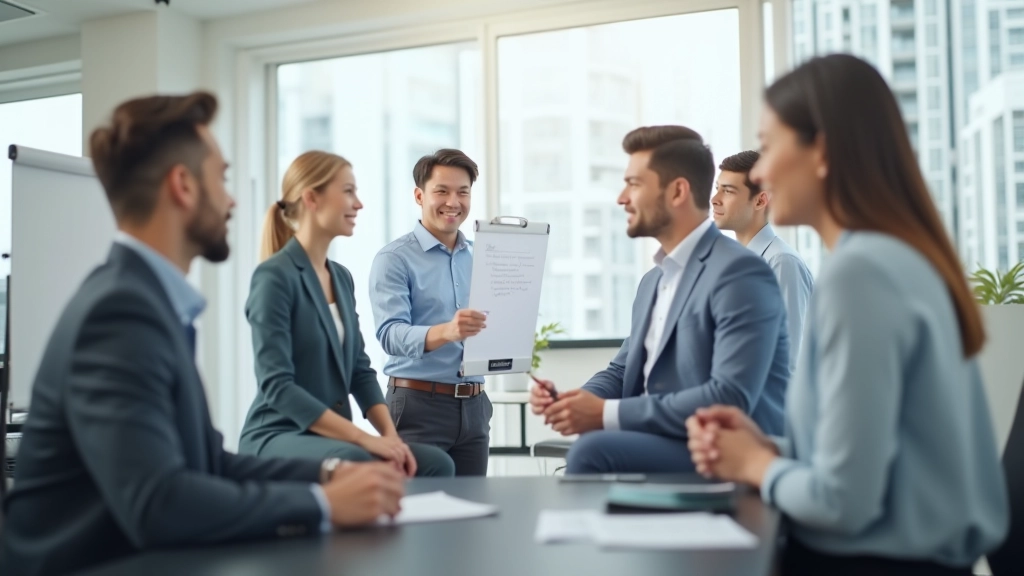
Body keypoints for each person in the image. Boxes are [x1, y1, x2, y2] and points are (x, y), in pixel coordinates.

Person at [0, 93, 404, 576]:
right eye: (223, 177)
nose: (232, 198)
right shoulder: (120, 314)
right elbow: (160, 502)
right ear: (183, 186)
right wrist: (321, 504)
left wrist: (329, 472)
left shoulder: (148, 301)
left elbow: (210, 461)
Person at [687, 54, 1009, 575]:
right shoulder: (895, 257)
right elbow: (874, 456)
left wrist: (755, 464)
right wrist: (766, 444)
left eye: (769, 147)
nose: (762, 171)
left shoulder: (861, 274)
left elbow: (842, 500)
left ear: (823, 152)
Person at [529, 126, 790, 474]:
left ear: (678, 191)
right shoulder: (654, 280)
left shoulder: (741, 273)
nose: (622, 198)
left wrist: (604, 414)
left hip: (722, 452)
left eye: (634, 184)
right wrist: (575, 402)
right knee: (590, 448)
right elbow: (623, 371)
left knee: (590, 452)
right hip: (665, 436)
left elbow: (729, 397)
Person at [238, 151, 455, 478]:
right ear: (312, 198)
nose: (359, 204)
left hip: (330, 439)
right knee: (362, 461)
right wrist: (363, 438)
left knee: (437, 463)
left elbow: (359, 369)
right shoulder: (274, 277)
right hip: (279, 433)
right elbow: (277, 386)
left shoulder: (340, 277)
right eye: (348, 191)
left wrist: (391, 439)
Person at [368, 149, 491, 476]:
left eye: (463, 192)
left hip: (475, 407)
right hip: (417, 406)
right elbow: (390, 334)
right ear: (419, 195)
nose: (454, 201)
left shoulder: (481, 258)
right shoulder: (393, 259)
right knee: (418, 518)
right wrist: (447, 332)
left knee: (471, 517)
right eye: (442, 191)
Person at [712, 150, 813, 370]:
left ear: (760, 200)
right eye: (717, 189)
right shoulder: (731, 265)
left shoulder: (782, 262)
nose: (715, 200)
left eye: (727, 191)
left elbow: (787, 362)